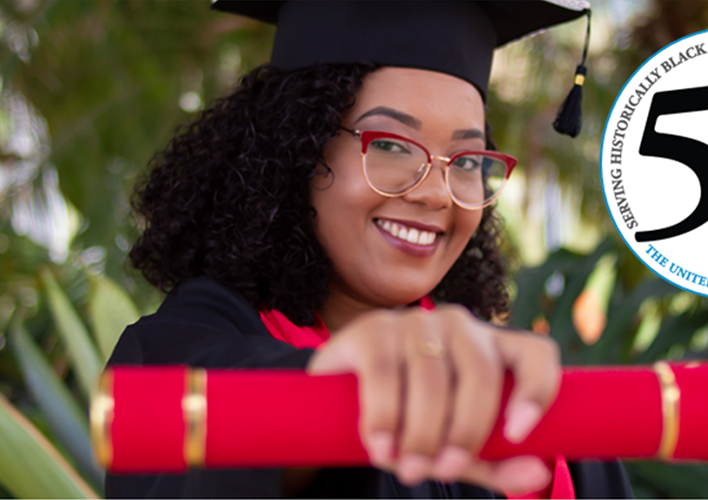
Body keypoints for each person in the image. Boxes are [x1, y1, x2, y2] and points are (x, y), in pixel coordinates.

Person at [105, 1, 633, 498]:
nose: (434, 193)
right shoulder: (178, 354)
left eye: (468, 160)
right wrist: (354, 388)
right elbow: (225, 419)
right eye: (389, 145)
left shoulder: (527, 391)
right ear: (297, 148)